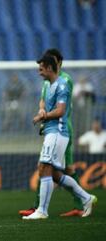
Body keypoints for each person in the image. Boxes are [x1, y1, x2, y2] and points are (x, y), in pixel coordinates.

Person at [23, 54, 97, 220]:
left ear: (49, 68)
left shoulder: (62, 85)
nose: (39, 72)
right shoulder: (48, 84)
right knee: (55, 173)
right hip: (51, 131)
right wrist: (42, 110)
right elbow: (44, 102)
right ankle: (86, 198)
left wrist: (43, 116)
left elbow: (61, 111)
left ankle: (42, 210)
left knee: (44, 167)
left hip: (58, 131)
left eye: (41, 69)